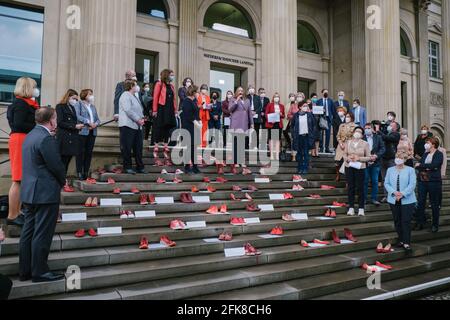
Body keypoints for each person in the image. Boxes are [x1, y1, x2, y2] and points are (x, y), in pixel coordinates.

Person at [19, 107, 66, 283]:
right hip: (45, 193)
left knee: (28, 232)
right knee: (42, 234)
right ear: (51, 120)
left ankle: (25, 271)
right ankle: (39, 272)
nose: (56, 121)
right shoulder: (46, 138)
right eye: (55, 118)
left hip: (29, 191)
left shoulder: (30, 135)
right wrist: (63, 181)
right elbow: (56, 165)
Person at [6, 77, 40, 227]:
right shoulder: (20, 103)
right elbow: (18, 124)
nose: (36, 89)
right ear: (27, 88)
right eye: (34, 87)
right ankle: (12, 215)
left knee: (22, 179)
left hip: (24, 140)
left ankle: (18, 211)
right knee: (18, 179)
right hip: (20, 140)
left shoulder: (25, 103)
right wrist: (38, 126)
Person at [384, 153, 417, 252]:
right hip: (393, 199)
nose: (398, 159)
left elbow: (412, 184)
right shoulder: (390, 170)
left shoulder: (410, 170)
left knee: (406, 221)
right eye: (397, 157)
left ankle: (407, 242)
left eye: (401, 158)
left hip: (407, 200)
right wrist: (394, 193)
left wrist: (402, 194)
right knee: (397, 220)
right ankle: (401, 239)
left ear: (405, 159)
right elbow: (386, 183)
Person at [414, 137, 444, 233]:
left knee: (434, 203)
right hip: (422, 181)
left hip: (434, 182)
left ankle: (435, 224)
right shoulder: (425, 154)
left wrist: (422, 166)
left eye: (428, 142)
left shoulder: (439, 154)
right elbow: (420, 165)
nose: (426, 144)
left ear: (433, 144)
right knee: (421, 202)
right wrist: (425, 167)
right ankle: (420, 222)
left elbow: (434, 165)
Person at [119, 80, 146, 174]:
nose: (137, 86)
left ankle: (140, 166)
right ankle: (127, 167)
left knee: (138, 147)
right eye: (135, 85)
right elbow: (128, 110)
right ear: (131, 86)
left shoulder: (134, 96)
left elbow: (138, 110)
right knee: (127, 147)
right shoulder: (125, 95)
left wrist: (142, 118)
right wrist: (138, 119)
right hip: (128, 125)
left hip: (137, 126)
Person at [152, 69, 178, 166]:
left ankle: (166, 156)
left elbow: (174, 99)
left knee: (168, 130)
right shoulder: (159, 84)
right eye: (171, 75)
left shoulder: (171, 86)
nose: (172, 76)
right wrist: (155, 110)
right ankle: (156, 156)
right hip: (161, 109)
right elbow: (155, 97)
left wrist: (175, 110)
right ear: (166, 75)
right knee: (159, 130)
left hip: (170, 110)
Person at [343, 127, 371, 217]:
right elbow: (344, 154)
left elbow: (369, 157)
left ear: (362, 135)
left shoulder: (365, 144)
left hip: (360, 167)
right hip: (349, 166)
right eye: (356, 131)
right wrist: (347, 159)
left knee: (360, 187)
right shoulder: (348, 142)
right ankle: (351, 207)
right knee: (351, 187)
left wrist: (359, 158)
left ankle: (361, 208)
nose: (357, 133)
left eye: (359, 132)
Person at [56, 89, 84, 176]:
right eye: (73, 98)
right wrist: (74, 126)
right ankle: (62, 180)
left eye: (76, 99)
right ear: (68, 97)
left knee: (68, 160)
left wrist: (78, 126)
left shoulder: (72, 108)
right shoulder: (60, 106)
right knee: (62, 160)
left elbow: (73, 121)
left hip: (73, 138)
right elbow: (60, 122)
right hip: (64, 137)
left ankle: (63, 179)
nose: (75, 101)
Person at [75, 89, 101, 180]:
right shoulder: (79, 104)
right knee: (80, 152)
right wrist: (88, 122)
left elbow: (98, 119)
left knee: (89, 152)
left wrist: (95, 124)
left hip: (92, 132)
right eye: (90, 94)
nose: (91, 96)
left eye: (92, 94)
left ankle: (86, 172)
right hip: (83, 132)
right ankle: (79, 172)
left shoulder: (93, 107)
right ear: (84, 95)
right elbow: (78, 116)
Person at [229, 87, 254, 175]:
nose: (240, 92)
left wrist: (251, 123)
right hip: (236, 123)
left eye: (242, 91)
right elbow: (230, 109)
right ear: (236, 92)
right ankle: (235, 162)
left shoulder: (247, 101)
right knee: (235, 143)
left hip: (244, 123)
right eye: (239, 91)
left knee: (241, 143)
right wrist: (236, 101)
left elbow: (249, 112)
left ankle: (241, 161)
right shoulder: (233, 99)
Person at [181, 85, 202, 175]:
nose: (198, 93)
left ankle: (195, 166)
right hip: (188, 126)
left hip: (195, 126)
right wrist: (196, 122)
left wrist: (200, 121)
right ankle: (187, 167)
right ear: (193, 92)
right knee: (189, 147)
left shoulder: (194, 101)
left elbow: (196, 113)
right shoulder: (186, 101)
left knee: (194, 147)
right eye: (197, 92)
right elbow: (188, 114)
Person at [364, 123, 386, 206]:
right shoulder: (362, 138)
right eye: (365, 128)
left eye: (369, 128)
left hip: (375, 163)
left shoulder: (378, 137)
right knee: (365, 181)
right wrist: (367, 158)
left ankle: (374, 198)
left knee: (375, 181)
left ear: (372, 129)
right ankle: (364, 199)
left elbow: (383, 148)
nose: (367, 129)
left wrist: (376, 156)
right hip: (364, 163)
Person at [291, 103, 316, 175]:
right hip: (298, 137)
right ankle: (299, 168)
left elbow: (314, 125)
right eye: (304, 106)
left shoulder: (310, 115)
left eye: (306, 106)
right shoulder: (296, 115)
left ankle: (305, 168)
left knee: (306, 153)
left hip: (307, 136)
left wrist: (312, 135)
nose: (306, 107)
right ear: (300, 107)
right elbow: (292, 126)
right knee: (299, 153)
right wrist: (293, 135)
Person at [335, 112, 357, 182]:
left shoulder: (355, 126)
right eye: (346, 117)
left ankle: (347, 180)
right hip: (341, 145)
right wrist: (340, 143)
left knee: (347, 162)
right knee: (337, 161)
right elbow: (338, 136)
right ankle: (338, 175)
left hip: (349, 145)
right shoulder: (342, 125)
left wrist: (348, 144)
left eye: (348, 117)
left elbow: (355, 137)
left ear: (351, 118)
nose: (346, 118)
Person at [265, 93, 286, 160]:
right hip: (271, 124)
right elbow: (266, 114)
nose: (276, 98)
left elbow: (283, 116)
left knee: (277, 139)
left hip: (278, 124)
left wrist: (281, 114)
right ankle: (271, 154)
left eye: (278, 97)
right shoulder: (269, 105)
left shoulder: (282, 106)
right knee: (271, 139)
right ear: (273, 98)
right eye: (275, 97)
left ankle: (277, 154)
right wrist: (271, 120)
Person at [317, 89, 336, 154]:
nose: (326, 93)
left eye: (327, 92)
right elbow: (316, 110)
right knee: (321, 134)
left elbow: (333, 110)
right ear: (322, 93)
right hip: (321, 118)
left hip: (328, 119)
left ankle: (327, 148)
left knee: (328, 134)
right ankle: (321, 148)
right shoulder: (319, 101)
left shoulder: (331, 101)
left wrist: (333, 118)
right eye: (325, 92)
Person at [197, 84, 212, 148]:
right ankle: (198, 143)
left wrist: (208, 106)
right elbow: (197, 105)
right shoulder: (198, 96)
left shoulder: (208, 97)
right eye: (203, 88)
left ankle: (204, 144)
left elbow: (209, 106)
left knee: (204, 130)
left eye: (206, 89)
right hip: (199, 113)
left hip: (206, 114)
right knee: (198, 129)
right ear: (200, 89)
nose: (204, 90)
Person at [310, 93, 321, 157]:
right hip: (311, 124)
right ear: (311, 98)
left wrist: (323, 110)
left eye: (316, 97)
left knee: (317, 138)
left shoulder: (318, 105)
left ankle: (317, 152)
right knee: (312, 138)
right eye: (314, 97)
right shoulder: (308, 105)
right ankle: (312, 152)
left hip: (317, 124)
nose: (315, 99)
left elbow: (321, 114)